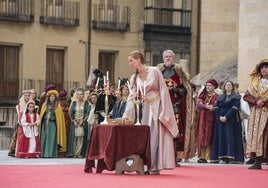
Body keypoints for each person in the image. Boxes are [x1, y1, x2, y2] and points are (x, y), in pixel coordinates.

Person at [122, 50, 179, 175]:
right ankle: (146, 164)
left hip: (158, 105)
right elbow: (131, 97)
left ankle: (154, 166)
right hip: (146, 108)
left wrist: (164, 110)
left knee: (155, 135)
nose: (130, 64)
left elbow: (163, 89)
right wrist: (126, 115)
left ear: (138, 59)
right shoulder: (134, 77)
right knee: (146, 135)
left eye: (131, 60)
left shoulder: (154, 71)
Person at [157, 50, 196, 164]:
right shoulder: (159, 71)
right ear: (163, 58)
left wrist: (176, 90)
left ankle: (174, 158)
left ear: (173, 58)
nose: (168, 58)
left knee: (175, 132)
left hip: (175, 106)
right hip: (161, 106)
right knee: (161, 131)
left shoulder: (179, 72)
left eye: (169, 57)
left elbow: (186, 89)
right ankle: (161, 157)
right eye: (166, 57)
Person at [210, 80, 244, 164]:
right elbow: (216, 107)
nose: (228, 86)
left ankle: (232, 157)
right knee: (222, 137)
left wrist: (226, 117)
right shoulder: (220, 97)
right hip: (220, 120)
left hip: (232, 120)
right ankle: (223, 157)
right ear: (224, 87)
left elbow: (235, 107)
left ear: (232, 87)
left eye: (230, 85)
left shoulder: (236, 97)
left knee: (230, 137)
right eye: (227, 85)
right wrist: (220, 117)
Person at [243, 59, 268, 169]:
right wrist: (256, 101)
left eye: (266, 67)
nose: (264, 69)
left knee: (266, 135)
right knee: (256, 136)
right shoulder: (255, 82)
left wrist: (264, 101)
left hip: (266, 111)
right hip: (255, 113)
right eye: (262, 67)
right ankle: (257, 161)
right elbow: (246, 96)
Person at [196, 79, 219, 163]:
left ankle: (210, 156)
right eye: (207, 85)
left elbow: (216, 106)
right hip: (202, 118)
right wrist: (206, 106)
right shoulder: (202, 95)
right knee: (202, 135)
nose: (207, 87)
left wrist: (210, 107)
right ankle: (202, 157)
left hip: (212, 119)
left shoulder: (217, 96)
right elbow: (198, 104)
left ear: (214, 87)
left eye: (209, 85)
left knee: (210, 135)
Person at [39, 90, 67, 158]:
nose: (52, 97)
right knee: (44, 138)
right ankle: (43, 154)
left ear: (55, 97)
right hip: (45, 124)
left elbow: (59, 118)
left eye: (53, 96)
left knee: (51, 139)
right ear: (48, 97)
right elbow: (42, 115)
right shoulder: (44, 105)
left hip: (53, 125)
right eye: (51, 96)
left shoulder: (58, 106)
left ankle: (51, 154)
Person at [67, 88, 90, 158]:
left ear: (83, 95)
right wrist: (73, 120)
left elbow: (87, 113)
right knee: (74, 137)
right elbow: (70, 112)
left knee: (82, 137)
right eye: (78, 94)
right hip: (75, 122)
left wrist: (82, 120)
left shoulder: (86, 103)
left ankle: (81, 153)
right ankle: (74, 152)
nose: (80, 96)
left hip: (83, 122)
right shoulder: (74, 103)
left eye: (81, 94)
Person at [8, 90, 31, 157]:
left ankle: (27, 152)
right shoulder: (19, 106)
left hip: (29, 124)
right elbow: (19, 115)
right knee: (18, 138)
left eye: (28, 95)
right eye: (26, 95)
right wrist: (20, 122)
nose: (27, 97)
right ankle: (14, 151)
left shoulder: (32, 104)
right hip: (21, 124)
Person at [58, 89, 71, 157]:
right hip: (63, 119)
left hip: (66, 119)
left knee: (66, 134)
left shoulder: (61, 102)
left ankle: (64, 150)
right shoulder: (60, 103)